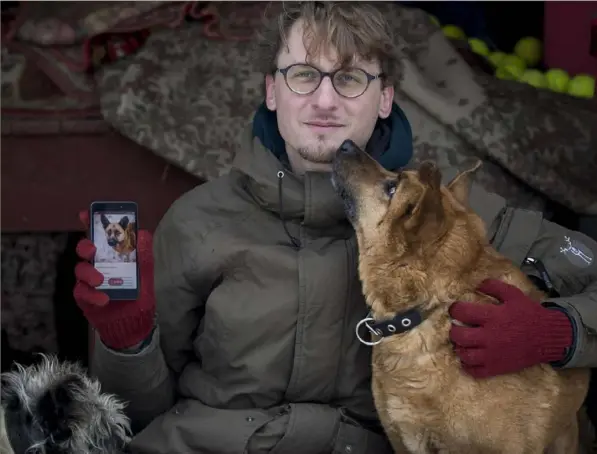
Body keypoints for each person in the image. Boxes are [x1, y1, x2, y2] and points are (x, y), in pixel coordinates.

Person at [73, 2, 597, 453]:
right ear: (272, 91)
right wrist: (128, 340)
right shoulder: (197, 221)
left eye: (350, 78)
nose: (325, 101)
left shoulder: (451, 218)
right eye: (303, 74)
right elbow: (132, 417)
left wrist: (559, 331)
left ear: (385, 97)